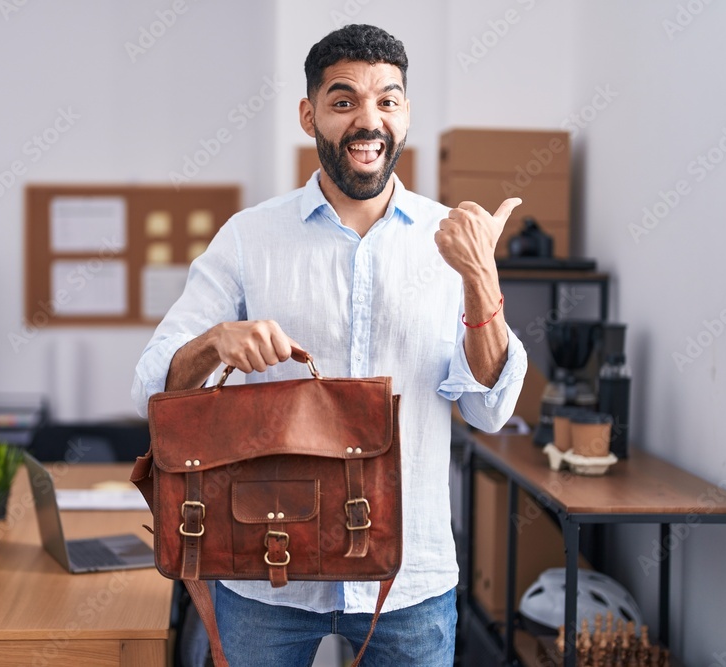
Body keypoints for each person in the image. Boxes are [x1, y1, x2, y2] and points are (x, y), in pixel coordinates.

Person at [132, 23, 527, 666]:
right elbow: (151, 388)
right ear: (309, 113)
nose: (368, 120)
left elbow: (489, 409)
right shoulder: (248, 237)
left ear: (406, 114)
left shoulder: (452, 238)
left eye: (387, 101)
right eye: (344, 101)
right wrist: (215, 343)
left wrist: (481, 279)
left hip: (411, 578)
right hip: (265, 570)